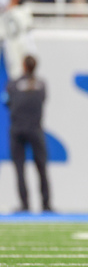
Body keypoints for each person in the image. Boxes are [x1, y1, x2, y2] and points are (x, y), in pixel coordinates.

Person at [5, 55, 51, 213]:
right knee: (42, 167)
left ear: (23, 66)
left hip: (17, 130)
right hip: (35, 129)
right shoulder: (41, 84)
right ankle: (46, 204)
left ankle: (25, 205)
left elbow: (7, 102)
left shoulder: (13, 85)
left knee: (19, 168)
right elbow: (43, 99)